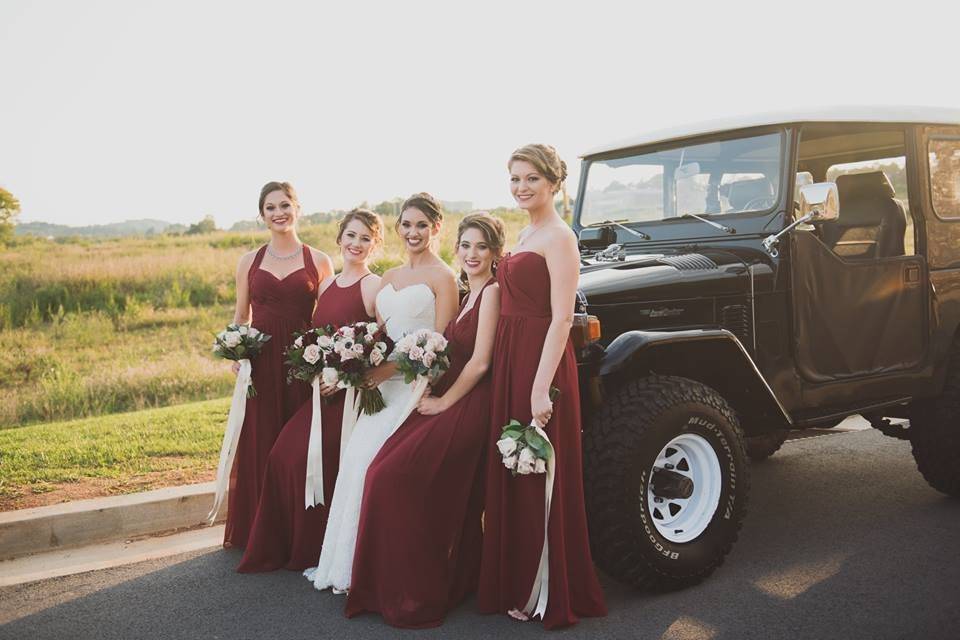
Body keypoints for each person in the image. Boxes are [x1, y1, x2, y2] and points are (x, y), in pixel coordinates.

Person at [346, 212, 503, 628]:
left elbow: (481, 363)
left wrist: (442, 402)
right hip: (443, 395)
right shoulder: (471, 292)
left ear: (495, 253)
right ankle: (398, 580)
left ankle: (416, 591)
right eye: (465, 246)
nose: (471, 254)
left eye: (481, 247)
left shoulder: (493, 294)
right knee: (380, 471)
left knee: (393, 476)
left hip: (469, 404)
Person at [477, 145, 607, 629]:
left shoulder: (559, 237)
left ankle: (544, 592)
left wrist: (538, 389)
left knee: (538, 474)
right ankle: (516, 580)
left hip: (541, 363)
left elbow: (560, 319)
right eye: (514, 179)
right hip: (512, 357)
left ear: (554, 183)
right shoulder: (526, 230)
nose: (521, 187)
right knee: (514, 470)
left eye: (531, 178)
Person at [305, 192, 459, 593]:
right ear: (397, 229)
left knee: (377, 468)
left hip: (410, 386)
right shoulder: (388, 278)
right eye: (406, 225)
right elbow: (380, 336)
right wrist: (359, 364)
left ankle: (377, 569)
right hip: (377, 387)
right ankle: (346, 566)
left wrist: (387, 370)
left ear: (436, 228)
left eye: (421, 225)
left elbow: (439, 346)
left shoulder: (444, 279)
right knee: (355, 460)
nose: (413, 232)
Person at [237, 209, 382, 572]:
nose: (356, 244)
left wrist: (348, 375)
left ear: (375, 244)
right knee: (282, 457)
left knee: (300, 460)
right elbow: (320, 333)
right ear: (340, 239)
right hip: (320, 394)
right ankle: (284, 543)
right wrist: (315, 366)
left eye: (365, 238)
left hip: (351, 398)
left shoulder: (374, 286)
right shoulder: (328, 285)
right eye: (351, 236)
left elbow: (383, 343)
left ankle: (315, 546)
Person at [224, 181, 334, 549]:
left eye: (284, 205)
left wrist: (328, 363)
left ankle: (300, 532)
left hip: (302, 365)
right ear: (262, 215)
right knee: (262, 443)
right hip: (261, 365)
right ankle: (262, 531)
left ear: (297, 208)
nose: (278, 213)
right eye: (270, 208)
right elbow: (242, 315)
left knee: (300, 448)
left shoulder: (318, 261)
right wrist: (237, 353)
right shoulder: (249, 261)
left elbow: (330, 318)